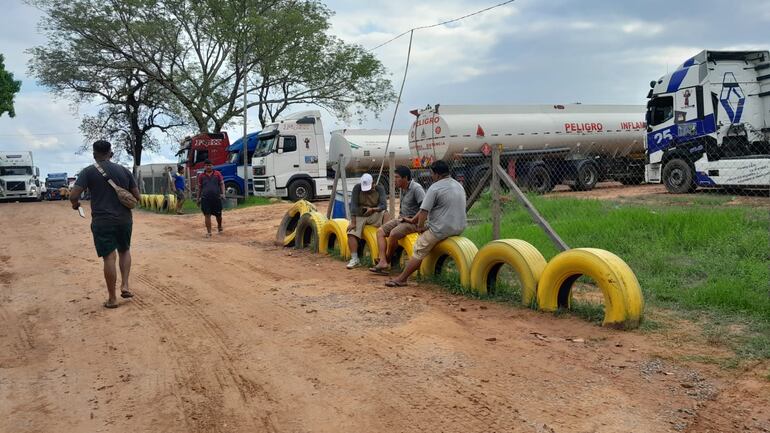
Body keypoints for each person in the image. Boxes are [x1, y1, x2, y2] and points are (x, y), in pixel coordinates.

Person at [70, 140, 141, 308]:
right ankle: (125, 285)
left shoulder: (88, 172)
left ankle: (112, 299)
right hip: (124, 219)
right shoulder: (124, 170)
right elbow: (137, 196)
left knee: (109, 256)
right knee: (124, 250)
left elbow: (74, 195)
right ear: (111, 153)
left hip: (102, 221)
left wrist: (75, 205)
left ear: (94, 154)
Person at [385, 160, 466, 287]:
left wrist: (420, 227)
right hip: (460, 227)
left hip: (441, 228)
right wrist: (413, 221)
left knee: (419, 248)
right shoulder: (458, 185)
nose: (431, 176)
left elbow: (423, 211)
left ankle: (402, 279)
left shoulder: (435, 187)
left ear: (437, 174)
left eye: (432, 174)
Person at [370, 166, 425, 274]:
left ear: (405, 178)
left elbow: (424, 209)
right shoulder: (402, 188)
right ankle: (383, 260)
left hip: (413, 221)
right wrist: (400, 218)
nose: (394, 180)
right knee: (380, 231)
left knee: (393, 233)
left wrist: (414, 221)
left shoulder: (416, 188)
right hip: (402, 219)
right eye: (394, 177)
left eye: (397, 177)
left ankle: (387, 260)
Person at [346, 173, 387, 269]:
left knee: (386, 214)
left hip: (374, 213)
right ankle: (355, 259)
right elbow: (353, 206)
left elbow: (383, 205)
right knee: (351, 232)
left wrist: (373, 209)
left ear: (373, 183)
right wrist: (353, 222)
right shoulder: (357, 188)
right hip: (361, 214)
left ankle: (385, 255)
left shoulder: (379, 189)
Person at [197, 160, 225, 237]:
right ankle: (209, 232)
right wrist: (198, 198)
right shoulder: (201, 176)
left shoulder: (217, 174)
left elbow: (222, 184)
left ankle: (219, 226)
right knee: (207, 215)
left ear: (212, 166)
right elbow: (199, 188)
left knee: (219, 215)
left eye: (210, 165)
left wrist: (223, 194)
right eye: (206, 165)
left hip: (216, 198)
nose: (208, 167)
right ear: (204, 166)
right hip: (205, 198)